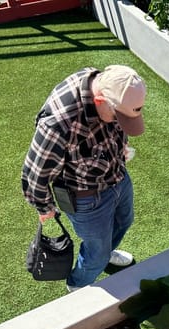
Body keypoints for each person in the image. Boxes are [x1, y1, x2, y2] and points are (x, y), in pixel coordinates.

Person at [21, 65, 147, 291]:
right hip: (87, 197)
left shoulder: (107, 81)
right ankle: (78, 285)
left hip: (117, 175)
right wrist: (44, 207)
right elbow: (34, 173)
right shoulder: (59, 123)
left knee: (123, 222)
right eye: (117, 116)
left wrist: (122, 145)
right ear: (100, 100)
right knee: (96, 252)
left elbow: (121, 121)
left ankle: (104, 253)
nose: (120, 123)